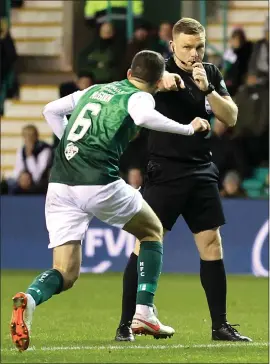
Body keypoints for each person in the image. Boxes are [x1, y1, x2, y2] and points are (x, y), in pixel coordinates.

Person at [10, 50, 210, 352]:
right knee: (152, 230)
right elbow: (142, 115)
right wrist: (187, 128)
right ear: (154, 81)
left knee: (66, 272)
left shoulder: (95, 89)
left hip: (60, 183)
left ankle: (31, 299)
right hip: (97, 183)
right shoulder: (140, 96)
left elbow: (50, 110)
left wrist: (72, 147)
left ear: (129, 73)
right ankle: (143, 312)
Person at [115, 18, 252, 343]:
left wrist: (207, 89)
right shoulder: (156, 69)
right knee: (145, 242)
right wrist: (156, 84)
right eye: (187, 47)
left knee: (211, 243)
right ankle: (125, 324)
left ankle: (220, 325)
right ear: (173, 46)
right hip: (163, 170)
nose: (194, 54)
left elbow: (230, 117)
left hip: (201, 170)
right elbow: (129, 98)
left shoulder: (211, 74)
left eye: (199, 47)